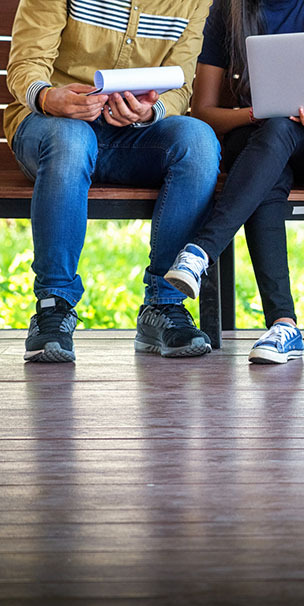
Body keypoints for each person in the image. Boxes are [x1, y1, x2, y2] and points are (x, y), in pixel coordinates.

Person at [7, 0, 220, 363]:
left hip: (132, 136)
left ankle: (164, 305)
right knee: (73, 141)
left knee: (198, 141)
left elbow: (179, 88)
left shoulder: (193, 3)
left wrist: (150, 111)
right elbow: (26, 64)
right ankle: (52, 308)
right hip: (50, 129)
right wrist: (48, 97)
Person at [164, 0, 304, 365]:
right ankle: (283, 327)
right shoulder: (229, 9)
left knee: (275, 139)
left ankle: (202, 250)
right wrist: (255, 113)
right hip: (257, 139)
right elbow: (204, 112)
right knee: (273, 145)